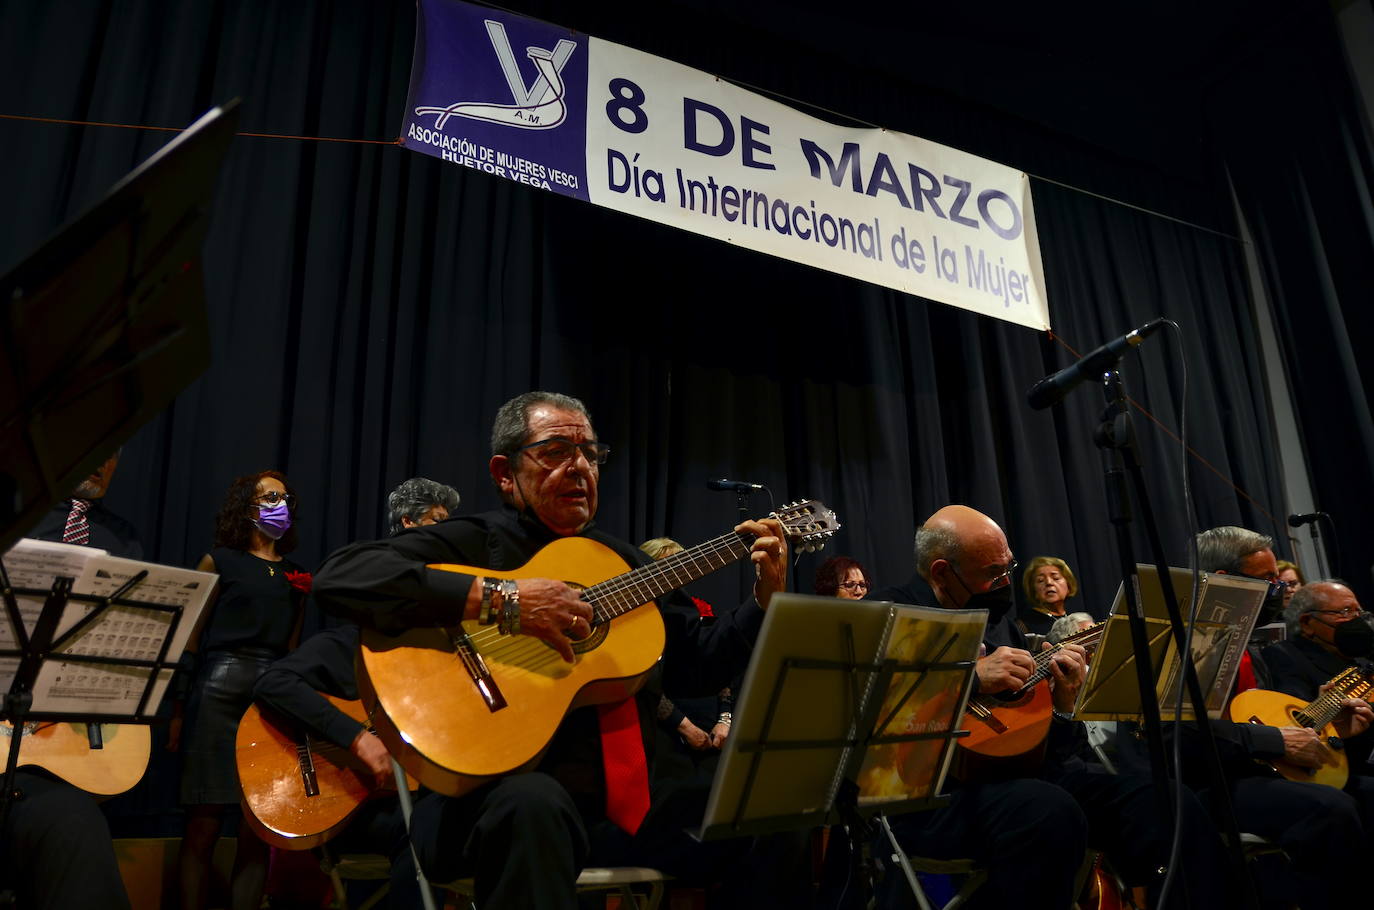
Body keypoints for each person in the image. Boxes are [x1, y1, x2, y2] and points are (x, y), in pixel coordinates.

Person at [312, 391, 802, 909]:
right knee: (534, 803)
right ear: (505, 473)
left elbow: (697, 667)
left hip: (626, 810)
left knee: (774, 806)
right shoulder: (476, 541)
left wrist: (762, 603)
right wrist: (506, 598)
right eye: (555, 451)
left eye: (591, 454)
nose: (580, 468)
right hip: (491, 803)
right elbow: (343, 576)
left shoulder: (627, 565)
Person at [870, 506, 1231, 910]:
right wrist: (970, 678)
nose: (1005, 582)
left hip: (1026, 780)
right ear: (940, 572)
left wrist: (1062, 707)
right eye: (992, 573)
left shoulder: (1000, 624)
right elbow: (873, 712)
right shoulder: (887, 614)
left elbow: (1053, 752)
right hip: (933, 801)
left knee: (1167, 800)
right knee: (1046, 809)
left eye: (1008, 567)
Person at [1114, 526, 1374, 910]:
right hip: (1199, 786)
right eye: (1267, 580)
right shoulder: (1180, 644)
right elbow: (1173, 735)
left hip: (1250, 772)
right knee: (1329, 811)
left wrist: (1332, 724)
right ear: (1224, 581)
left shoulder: (1250, 644)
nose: (1280, 590)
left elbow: (1266, 721)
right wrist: (1274, 742)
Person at [5, 449, 136, 910]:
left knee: (75, 825)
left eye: (115, 451)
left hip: (51, 762)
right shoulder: (14, 518)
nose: (103, 460)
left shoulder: (122, 539)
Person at [174, 471, 310, 910]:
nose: (280, 504)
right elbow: (189, 639)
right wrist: (177, 709)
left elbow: (292, 649)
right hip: (216, 691)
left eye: (285, 497)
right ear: (246, 508)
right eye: (270, 497)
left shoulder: (296, 576)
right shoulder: (218, 561)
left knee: (258, 827)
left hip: (270, 697)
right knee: (205, 824)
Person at [1264, 580, 1374, 773]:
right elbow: (1295, 725)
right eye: (1346, 611)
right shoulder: (1285, 656)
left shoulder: (1362, 661)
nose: (1357, 620)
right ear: (1307, 623)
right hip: (1334, 769)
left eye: (1359, 612)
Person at [639, 537, 734, 759]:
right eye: (665, 570)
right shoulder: (639, 625)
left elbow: (718, 668)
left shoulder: (691, 615)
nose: (674, 579)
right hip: (665, 738)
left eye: (678, 569)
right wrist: (685, 727)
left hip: (713, 735)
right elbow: (644, 684)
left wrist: (725, 719)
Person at [28, 448, 142, 557]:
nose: (102, 462)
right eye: (95, 450)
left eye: (112, 454)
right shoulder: (23, 516)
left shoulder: (125, 536)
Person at [1016, 556, 1079, 637]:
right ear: (1034, 591)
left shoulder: (1076, 620)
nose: (1049, 583)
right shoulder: (1023, 624)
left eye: (1056, 578)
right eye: (1040, 580)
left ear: (1069, 586)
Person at [385, 476, 461, 536]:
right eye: (437, 520)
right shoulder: (385, 554)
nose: (447, 529)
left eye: (446, 523)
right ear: (408, 521)